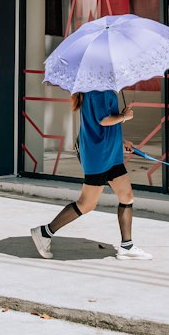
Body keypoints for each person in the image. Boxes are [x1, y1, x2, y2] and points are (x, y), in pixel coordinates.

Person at [30, 88, 152, 260]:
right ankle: (44, 232)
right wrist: (125, 117)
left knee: (126, 196)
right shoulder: (98, 91)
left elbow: (100, 123)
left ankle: (127, 246)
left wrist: (120, 140)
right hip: (99, 156)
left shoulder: (100, 88)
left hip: (110, 153)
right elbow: (103, 120)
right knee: (86, 204)